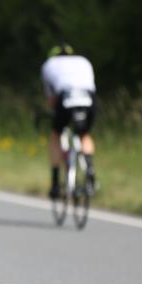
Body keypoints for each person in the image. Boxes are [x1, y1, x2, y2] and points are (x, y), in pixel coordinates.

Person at [41, 43, 97, 197]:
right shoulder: (83, 61)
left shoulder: (49, 65)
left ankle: (55, 183)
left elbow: (52, 99)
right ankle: (90, 169)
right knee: (84, 134)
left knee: (55, 135)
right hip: (88, 97)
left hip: (66, 96)